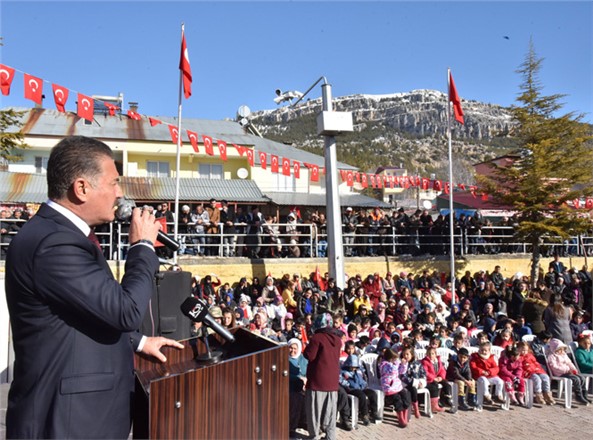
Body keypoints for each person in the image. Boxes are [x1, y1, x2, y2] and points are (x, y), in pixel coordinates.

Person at [5, 136, 183, 439]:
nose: (120, 193)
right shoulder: (54, 243)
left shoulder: (61, 235)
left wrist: (138, 343)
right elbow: (124, 311)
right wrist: (142, 247)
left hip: (80, 418)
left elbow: (84, 313)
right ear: (82, 188)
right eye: (113, 183)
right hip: (66, 423)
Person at [303, 313, 342, 440]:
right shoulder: (337, 339)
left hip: (317, 380)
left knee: (314, 411)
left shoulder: (317, 338)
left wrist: (306, 346)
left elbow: (309, 356)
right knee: (330, 412)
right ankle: (330, 436)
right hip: (332, 381)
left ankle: (314, 436)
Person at [546, 338, 591, 405]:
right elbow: (554, 367)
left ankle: (584, 395)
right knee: (576, 379)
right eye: (559, 350)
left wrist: (574, 369)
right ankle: (578, 395)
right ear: (554, 349)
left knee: (582, 378)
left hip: (568, 371)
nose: (561, 351)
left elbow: (569, 363)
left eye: (562, 349)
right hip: (560, 373)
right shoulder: (552, 356)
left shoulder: (564, 355)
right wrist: (567, 370)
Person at [339, 354, 379, 425]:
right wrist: (348, 384)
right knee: (362, 396)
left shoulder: (359, 370)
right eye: (352, 367)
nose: (353, 369)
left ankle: (374, 412)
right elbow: (341, 381)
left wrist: (364, 384)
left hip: (361, 387)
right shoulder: (343, 371)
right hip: (351, 389)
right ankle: (364, 415)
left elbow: (363, 379)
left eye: (355, 367)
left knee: (372, 393)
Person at [379, 348, 411, 427]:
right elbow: (392, 371)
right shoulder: (384, 365)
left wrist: (404, 365)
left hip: (397, 386)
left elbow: (401, 371)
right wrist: (397, 364)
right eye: (394, 358)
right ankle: (400, 418)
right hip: (389, 387)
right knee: (397, 400)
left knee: (406, 396)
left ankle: (405, 415)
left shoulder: (393, 364)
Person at [470, 341, 505, 405]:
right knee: (484, 380)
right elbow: (473, 366)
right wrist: (482, 371)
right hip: (479, 376)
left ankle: (498, 395)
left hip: (489, 375)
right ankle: (486, 396)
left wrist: (489, 372)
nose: (483, 352)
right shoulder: (475, 356)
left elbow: (496, 368)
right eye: (482, 350)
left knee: (500, 381)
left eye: (485, 350)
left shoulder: (491, 357)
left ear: (489, 351)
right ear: (479, 349)